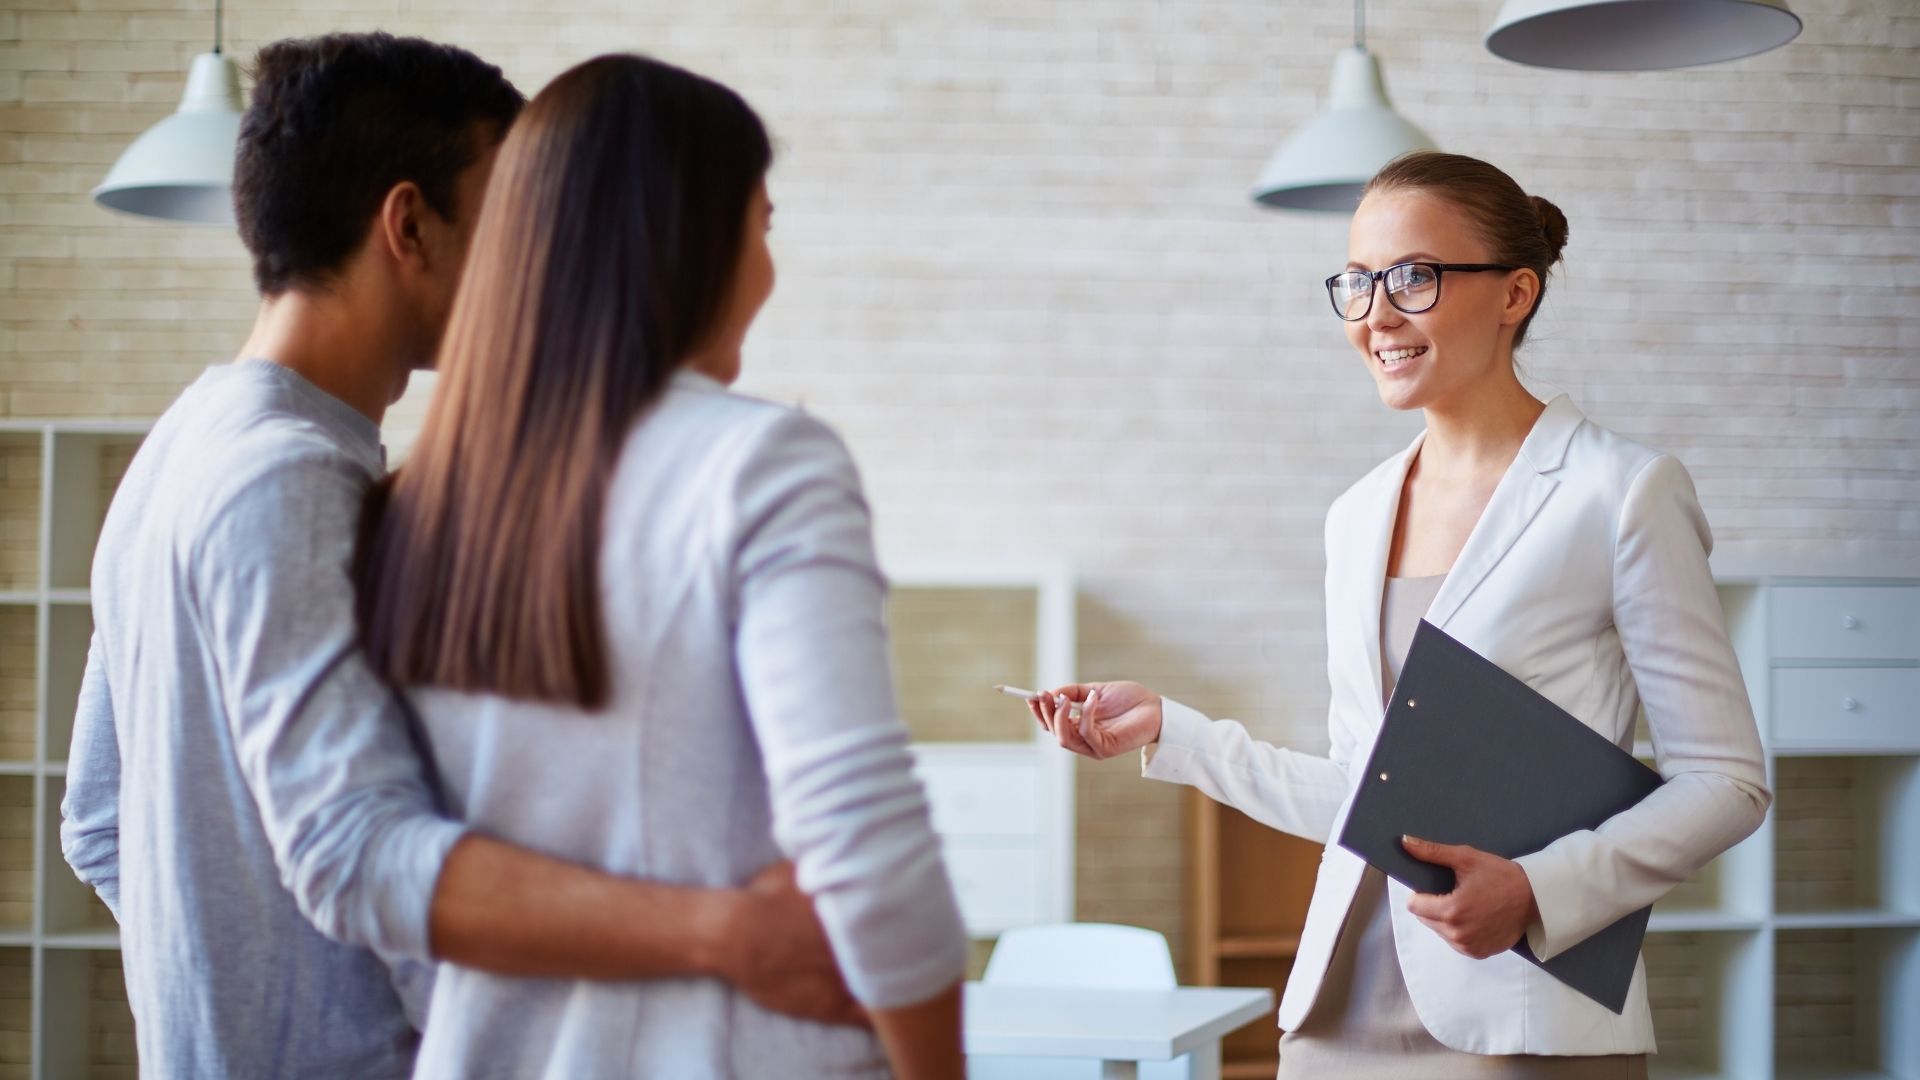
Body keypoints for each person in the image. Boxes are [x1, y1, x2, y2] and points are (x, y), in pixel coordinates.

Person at [60, 33, 859, 1078]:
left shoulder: (183, 443)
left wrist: (220, 997)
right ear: (410, 226)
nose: (541, 262)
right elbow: (355, 851)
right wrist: (722, 934)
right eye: (513, 222)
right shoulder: (290, 481)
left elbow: (96, 821)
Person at [1031, 152, 1771, 1076]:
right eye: (1357, 280)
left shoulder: (1619, 494)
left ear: (1515, 294)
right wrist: (1172, 731)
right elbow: (1365, 791)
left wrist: (1539, 890)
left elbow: (1727, 781)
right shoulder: (1357, 514)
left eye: (1414, 277)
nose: (1376, 313)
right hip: (1337, 1016)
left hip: (1519, 1013)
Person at [352, 53, 967, 1079]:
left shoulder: (413, 503)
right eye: (763, 225)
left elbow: (386, 867)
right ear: (688, 235)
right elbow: (863, 839)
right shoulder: (761, 462)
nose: (768, 268)